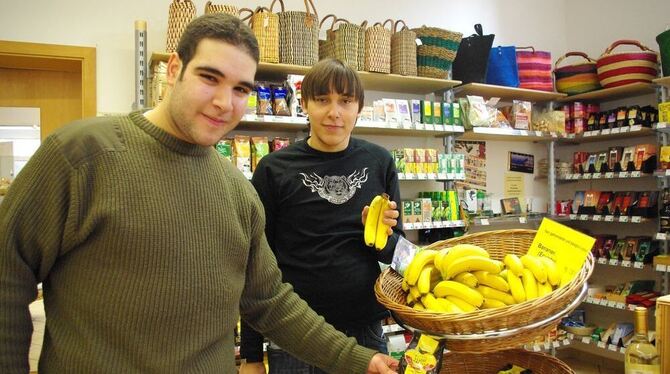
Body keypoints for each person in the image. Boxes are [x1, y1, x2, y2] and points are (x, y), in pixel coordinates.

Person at [0, 14, 398, 374]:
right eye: (210, 78)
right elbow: (7, 277)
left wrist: (358, 359)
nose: (224, 102)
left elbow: (269, 301)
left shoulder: (237, 194)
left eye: (241, 88)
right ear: (175, 69)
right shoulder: (81, 155)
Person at [239, 58, 404, 374]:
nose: (334, 112)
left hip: (365, 332)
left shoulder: (379, 162)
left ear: (359, 107)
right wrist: (251, 355)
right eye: (322, 99)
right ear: (304, 104)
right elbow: (256, 263)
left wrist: (382, 239)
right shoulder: (274, 169)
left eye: (345, 101)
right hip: (293, 332)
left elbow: (398, 253)